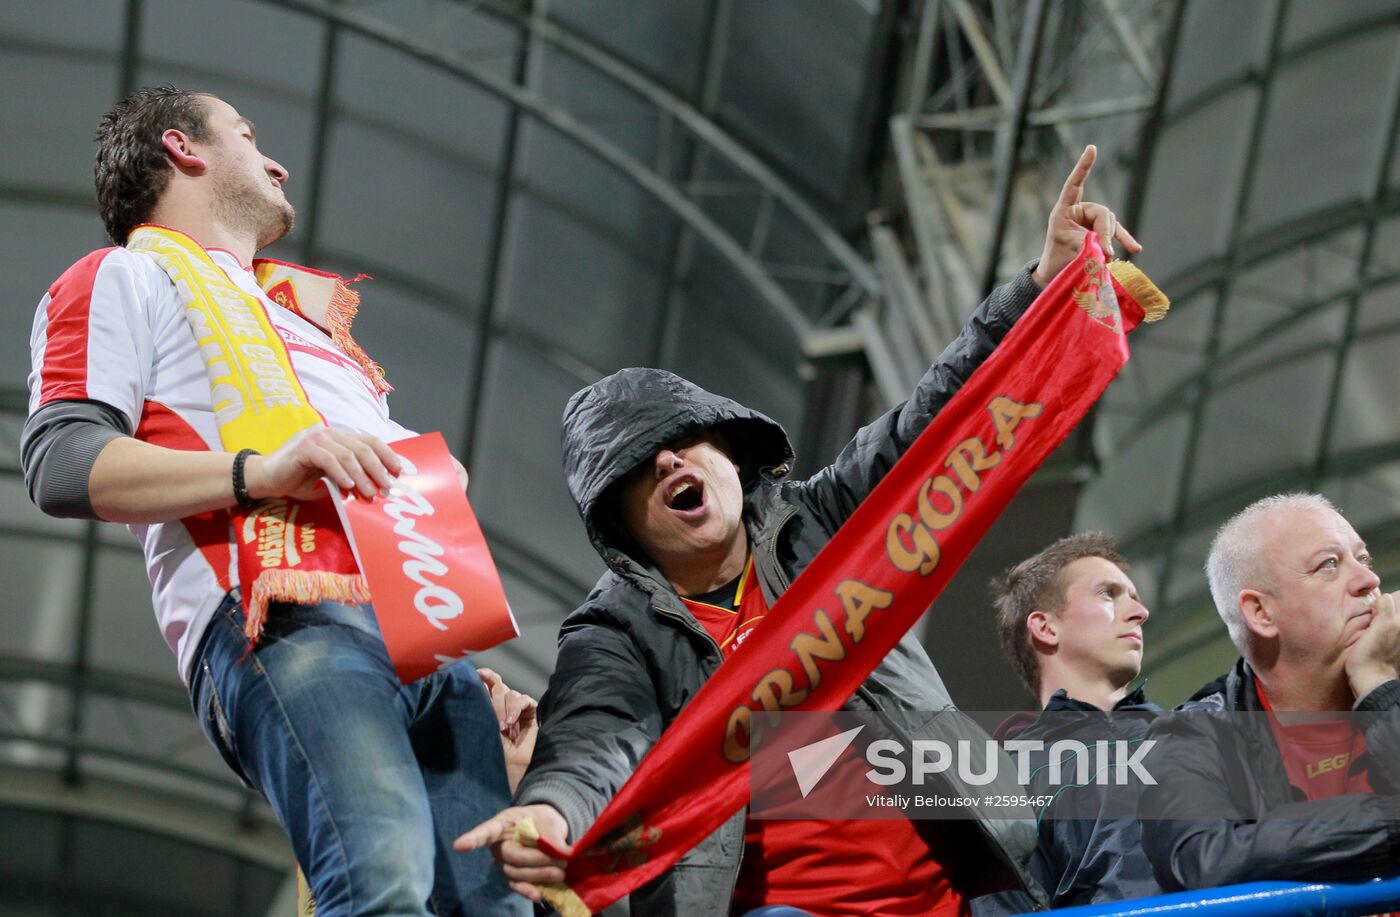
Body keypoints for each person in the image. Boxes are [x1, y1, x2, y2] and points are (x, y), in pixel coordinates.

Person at [457, 147, 1143, 916]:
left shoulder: (826, 520)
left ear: (729, 450)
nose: (669, 462)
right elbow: (592, 739)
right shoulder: (613, 635)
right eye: (637, 471)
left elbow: (938, 418)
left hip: (974, 896)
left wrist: (1038, 286)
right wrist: (549, 810)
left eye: (680, 440)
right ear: (623, 528)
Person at [22, 86, 532, 916]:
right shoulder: (126, 276)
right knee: (382, 883)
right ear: (183, 148)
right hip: (281, 616)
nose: (277, 159)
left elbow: (376, 465)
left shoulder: (309, 322)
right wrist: (261, 470)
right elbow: (60, 460)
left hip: (425, 627)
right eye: (247, 134)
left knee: (492, 909)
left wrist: (438, 484)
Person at [1138, 493, 1400, 891]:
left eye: (1363, 560)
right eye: (1329, 565)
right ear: (1260, 613)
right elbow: (1206, 862)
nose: (1370, 580)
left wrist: (1380, 683)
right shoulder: (1186, 739)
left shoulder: (1388, 680)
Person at [976, 533, 1162, 913]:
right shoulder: (1004, 775)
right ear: (1045, 628)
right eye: (1108, 594)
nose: (1140, 613)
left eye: (1135, 598)